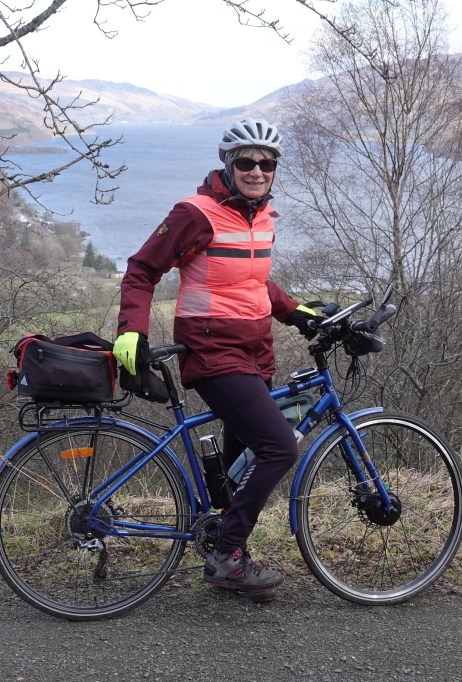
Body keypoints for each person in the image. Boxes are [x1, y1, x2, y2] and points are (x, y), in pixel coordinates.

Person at [112, 118, 319, 601]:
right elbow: (142, 269)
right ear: (228, 163)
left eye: (267, 163)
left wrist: (299, 312)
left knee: (237, 467)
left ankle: (227, 552)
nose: (257, 170)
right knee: (279, 448)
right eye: (246, 161)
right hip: (212, 351)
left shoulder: (261, 217)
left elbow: (252, 282)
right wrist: (131, 331)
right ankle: (227, 558)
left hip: (255, 352)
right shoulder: (196, 214)